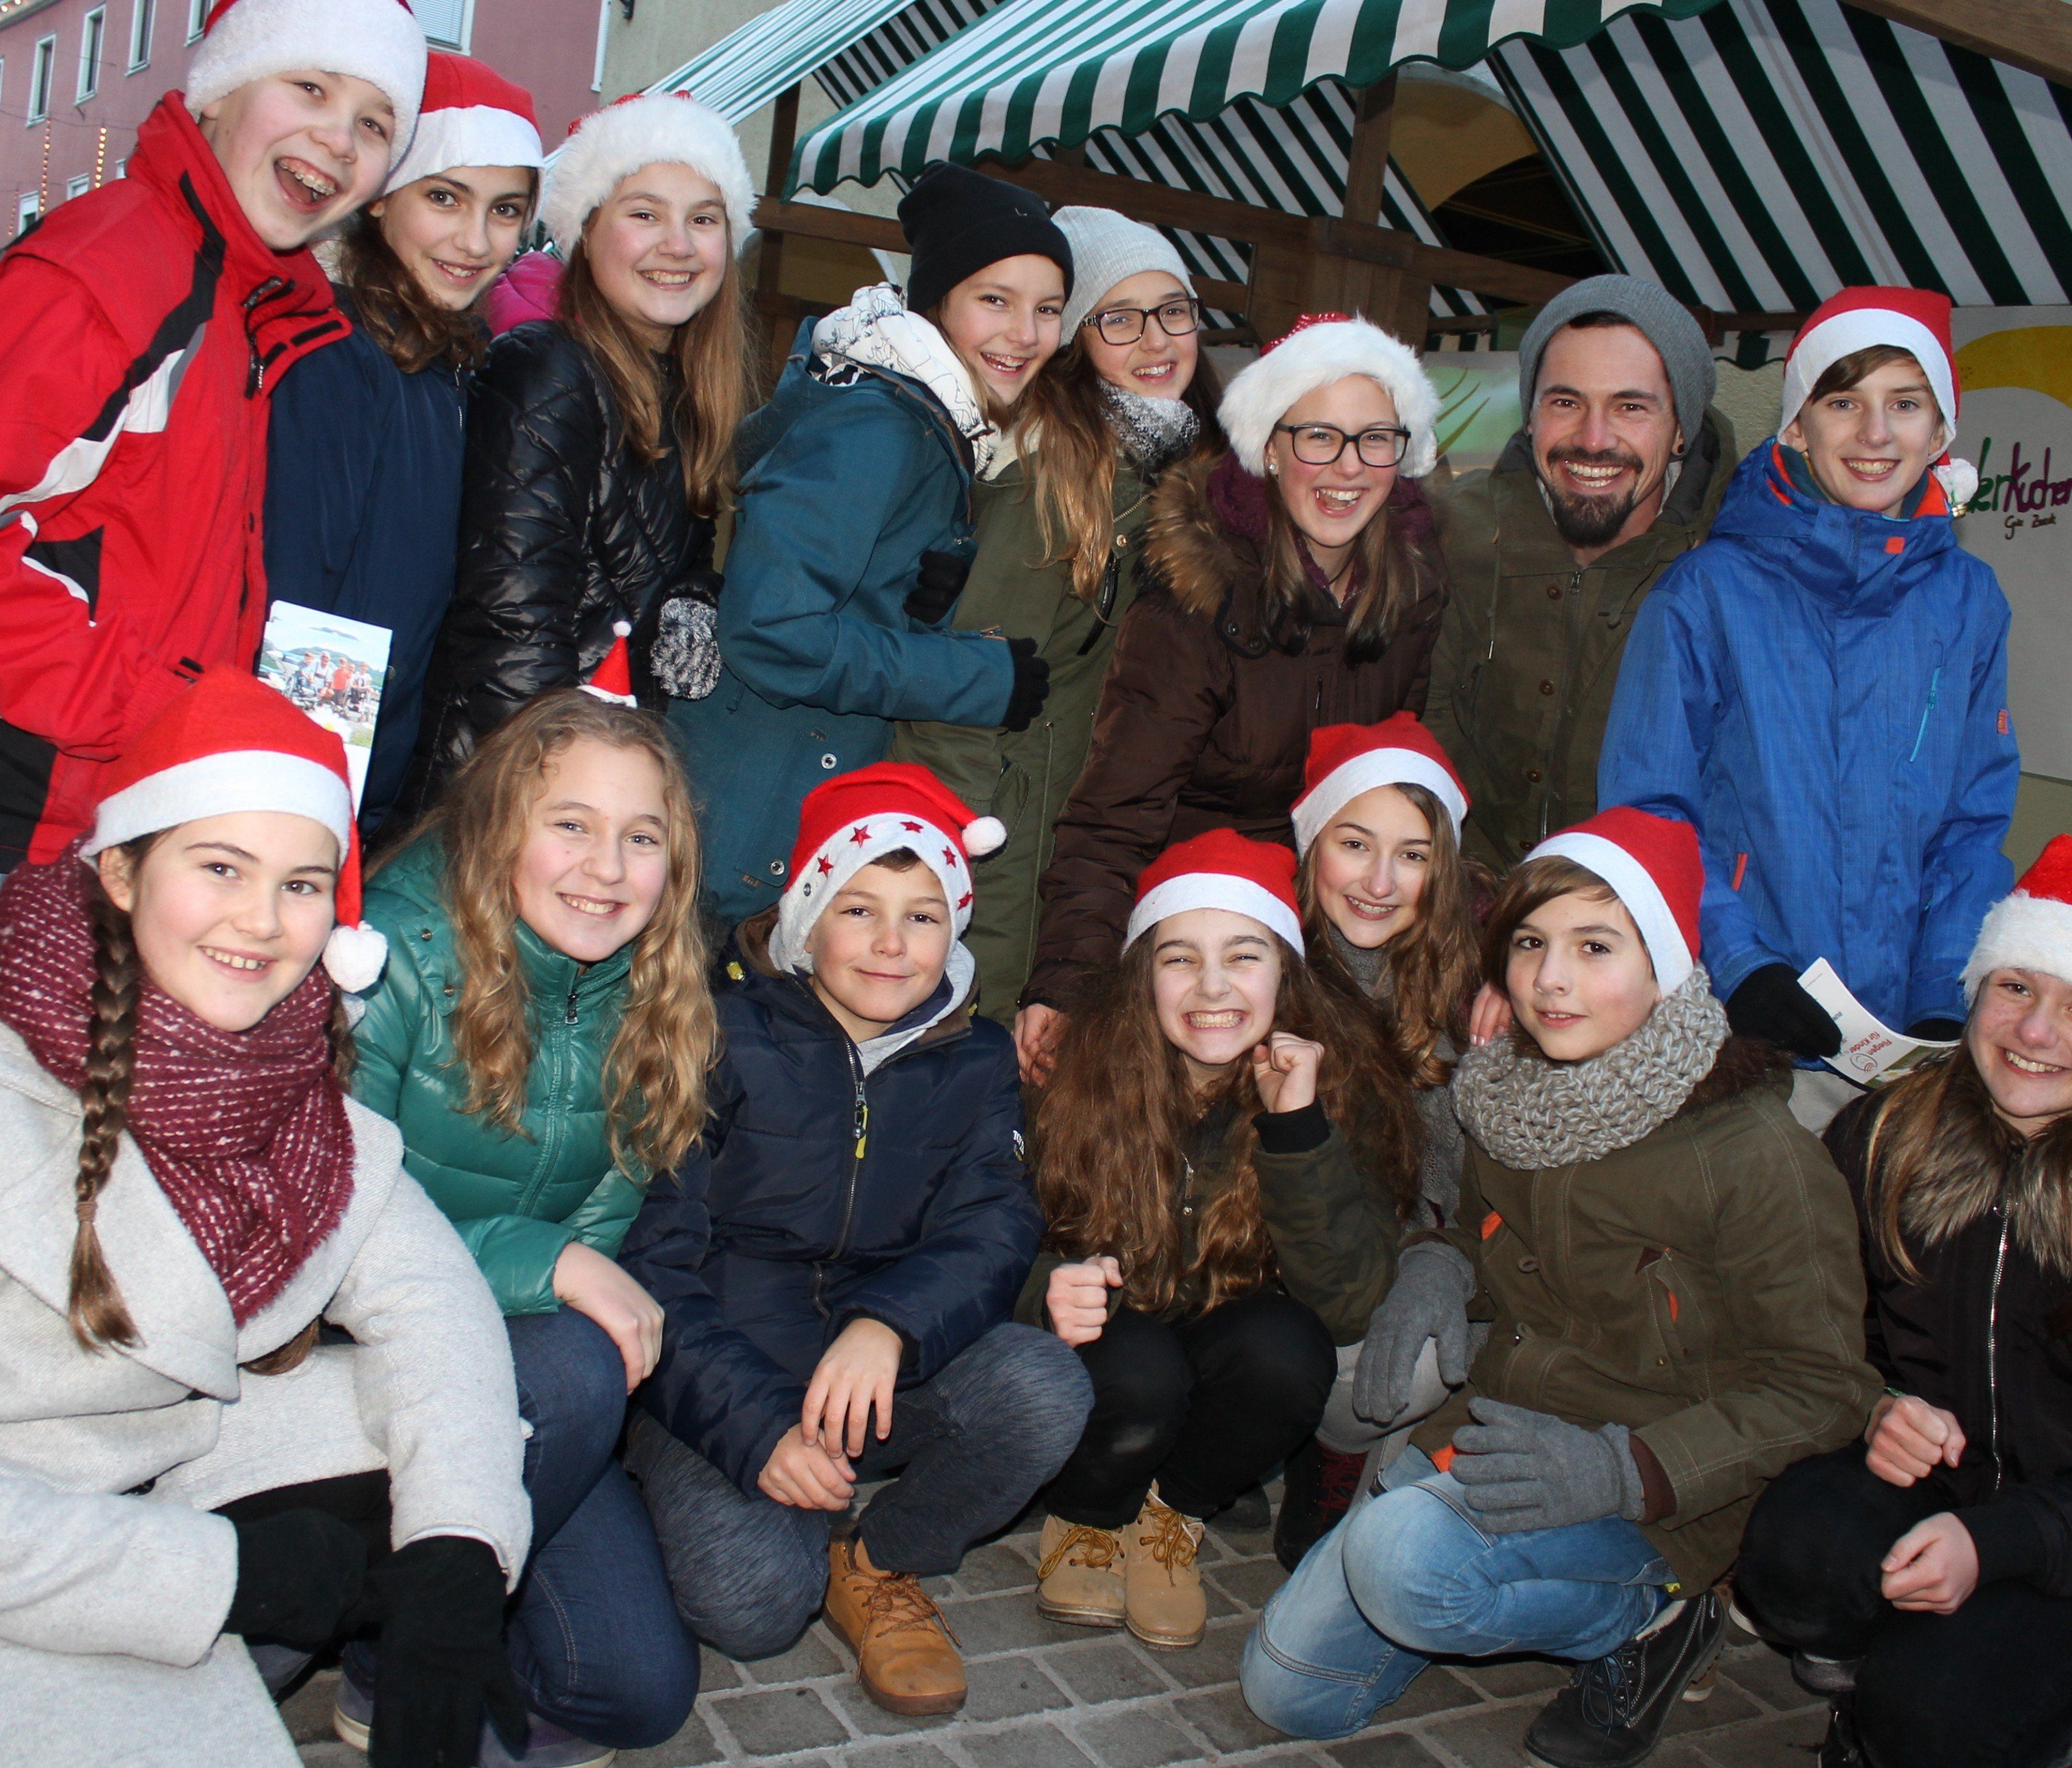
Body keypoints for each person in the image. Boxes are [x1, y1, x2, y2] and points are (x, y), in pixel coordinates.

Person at [1241, 806, 1878, 1768]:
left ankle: (1655, 1620)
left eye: (1595, 945)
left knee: (1400, 1562)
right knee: (1289, 1690)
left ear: (1664, 963)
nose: (1551, 978)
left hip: (1660, 1484)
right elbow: (1474, 1232)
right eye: (1532, 943)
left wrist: (1628, 1470)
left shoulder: (1756, 1155)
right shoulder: (1513, 1092)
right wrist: (1438, 1268)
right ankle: (1465, 1561)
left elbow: (1826, 1387)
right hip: (1505, 1436)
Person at [0, 668, 530, 1768]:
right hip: (40, 1533)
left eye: (301, 884)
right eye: (221, 868)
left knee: (505, 1406)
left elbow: (434, 1304)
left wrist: (456, 1562)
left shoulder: (286, 1071)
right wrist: (228, 1576)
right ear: (122, 868)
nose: (263, 921)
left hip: (167, 1469)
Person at [618, 764, 1091, 1718]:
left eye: (923, 916)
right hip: (725, 1377)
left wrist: (891, 1325)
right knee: (752, 1606)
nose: (891, 943)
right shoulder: (715, 1035)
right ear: (804, 919)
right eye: (859, 908)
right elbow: (655, 1261)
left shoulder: (978, 1054)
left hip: (875, 1373)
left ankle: (878, 1557)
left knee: (1044, 1386)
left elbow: (993, 1223)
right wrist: (756, 1428)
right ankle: (674, 1495)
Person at [347, 672, 708, 1763]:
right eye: (571, 826)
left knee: (639, 1694)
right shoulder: (392, 959)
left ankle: (466, 1596)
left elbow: (600, 1219)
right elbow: (332, 1221)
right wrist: (544, 1261)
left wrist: (560, 1267)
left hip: (508, 1368)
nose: (607, 870)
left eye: (641, 838)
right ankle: (391, 1661)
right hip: (352, 1353)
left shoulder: (658, 989)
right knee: (580, 1365)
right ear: (502, 824)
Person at [0, 0, 425, 869]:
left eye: (374, 125)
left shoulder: (253, 306)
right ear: (217, 95)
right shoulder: (106, 274)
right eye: (309, 86)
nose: (341, 140)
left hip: (128, 820)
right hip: (28, 827)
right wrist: (174, 708)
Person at [1599, 287, 2019, 1134]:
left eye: (1905, 404)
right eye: (1843, 401)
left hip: (1905, 1046)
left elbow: (1973, 823)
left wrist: (1945, 992)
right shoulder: (1706, 592)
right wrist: (1743, 962)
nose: (1875, 433)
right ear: (1795, 426)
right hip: (1739, 1034)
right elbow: (1649, 809)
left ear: (1939, 435)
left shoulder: (1968, 599)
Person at [1024, 829, 1421, 1649]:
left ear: (1285, 975)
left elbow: (1349, 1301)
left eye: (1243, 957)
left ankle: (1169, 1515)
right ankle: (1087, 1514)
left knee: (1288, 1351)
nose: (1211, 987)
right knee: (1138, 1365)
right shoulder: (1072, 1075)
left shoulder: (1337, 1083)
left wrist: (1296, 1127)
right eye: (1179, 958)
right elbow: (992, 1234)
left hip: (1226, 1340)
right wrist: (1043, 1287)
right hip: (1114, 1351)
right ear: (1142, 975)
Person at [1020, 313, 1446, 1074]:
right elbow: (1113, 819)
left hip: (1326, 918)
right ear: (1270, 447)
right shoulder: (1198, 601)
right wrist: (1068, 990)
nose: (1346, 468)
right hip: (1198, 926)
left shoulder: (1409, 586)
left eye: (1375, 438)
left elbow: (1400, 790)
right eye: (1317, 436)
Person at [1735, 836, 2072, 1768]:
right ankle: (1874, 1673)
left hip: (2055, 1538)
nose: (2037, 1032)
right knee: (1793, 1550)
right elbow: (1815, 1325)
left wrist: (1999, 1540)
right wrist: (1874, 1405)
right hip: (1937, 1486)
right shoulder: (1889, 1129)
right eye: (2016, 987)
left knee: (1944, 1711)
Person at [668, 163, 1070, 926]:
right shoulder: (879, 425)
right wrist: (975, 675)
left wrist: (911, 598)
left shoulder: (917, 417)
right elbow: (770, 632)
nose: (1024, 334)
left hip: (751, 824)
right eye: (994, 300)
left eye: (1046, 309)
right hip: (741, 843)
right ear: (934, 303)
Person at [889, 205, 1222, 1023]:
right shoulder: (1049, 478)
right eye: (1118, 318)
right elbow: (976, 734)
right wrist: (996, 951)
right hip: (1001, 865)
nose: (1156, 340)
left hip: (1080, 859)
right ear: (1072, 342)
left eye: (1172, 311)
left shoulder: (1165, 465)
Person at [408, 92, 754, 805]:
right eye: (644, 214)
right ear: (586, 231)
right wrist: (566, 810)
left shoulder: (683, 392)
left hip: (589, 782)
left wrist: (695, 593)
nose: (678, 246)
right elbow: (510, 629)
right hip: (510, 790)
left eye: (703, 219)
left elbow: (647, 564)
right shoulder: (548, 371)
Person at [264, 51, 545, 840]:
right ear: (383, 201)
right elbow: (302, 606)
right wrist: (314, 809)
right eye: (445, 198)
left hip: (367, 788)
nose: (474, 239)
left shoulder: (443, 363)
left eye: (505, 210)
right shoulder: (340, 357)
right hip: (311, 790)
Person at [1423, 276, 1735, 869]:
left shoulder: (1731, 568)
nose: (1594, 440)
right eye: (1565, 402)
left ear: (1681, 432)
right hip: (1465, 904)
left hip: (1648, 925)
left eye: (1631, 407)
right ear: (1531, 415)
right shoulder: (1452, 535)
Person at [1274, 713, 1484, 1568]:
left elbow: (1487, 1190)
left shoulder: (1472, 995)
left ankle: (1349, 1468)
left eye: (1412, 854)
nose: (1379, 880)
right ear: (1312, 842)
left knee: (1438, 1341)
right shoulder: (1261, 968)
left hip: (1394, 1266)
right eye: (1355, 843)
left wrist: (1443, 1254)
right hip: (1282, 1283)